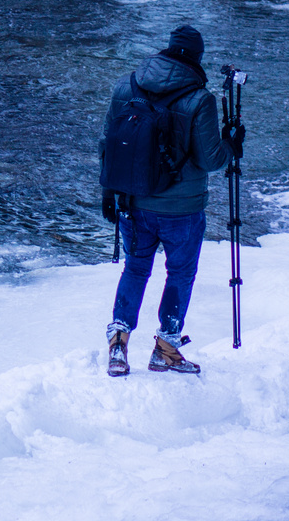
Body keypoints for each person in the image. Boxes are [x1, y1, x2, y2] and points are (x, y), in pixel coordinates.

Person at [100, 24, 243, 376]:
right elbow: (212, 159)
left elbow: (108, 142)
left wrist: (108, 191)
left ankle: (118, 343)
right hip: (182, 210)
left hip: (133, 201)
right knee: (179, 273)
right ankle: (166, 348)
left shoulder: (127, 85)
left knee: (136, 267)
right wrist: (232, 143)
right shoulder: (200, 98)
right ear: (197, 58)